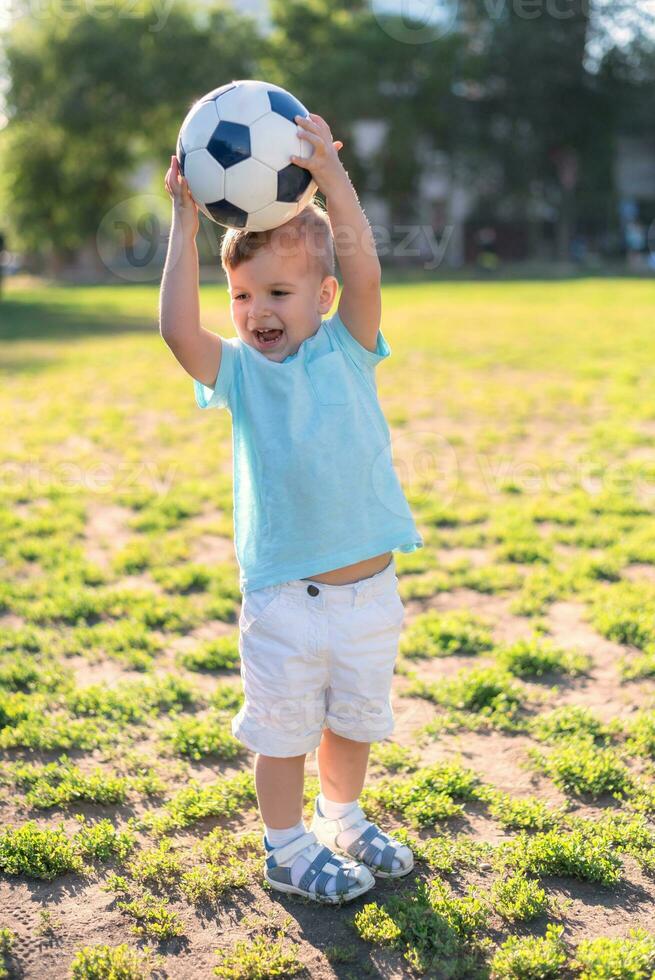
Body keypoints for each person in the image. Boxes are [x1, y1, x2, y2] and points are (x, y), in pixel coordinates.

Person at [160, 112, 423, 905]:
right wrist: (181, 216)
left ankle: (340, 817)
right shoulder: (240, 373)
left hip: (370, 595)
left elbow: (367, 267)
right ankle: (284, 847)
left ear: (324, 294)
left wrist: (334, 181)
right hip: (285, 599)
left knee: (354, 722)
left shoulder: (349, 342)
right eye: (242, 295)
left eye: (278, 291)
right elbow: (177, 330)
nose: (256, 310)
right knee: (281, 732)